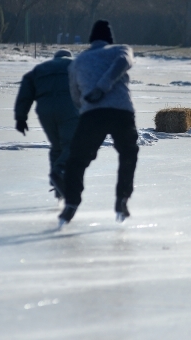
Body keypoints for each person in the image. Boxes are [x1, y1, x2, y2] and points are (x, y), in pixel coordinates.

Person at [59, 20, 139, 225]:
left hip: (92, 113)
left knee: (77, 159)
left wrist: (85, 104)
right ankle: (122, 198)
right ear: (110, 38)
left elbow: (74, 91)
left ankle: (71, 202)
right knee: (128, 153)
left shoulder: (78, 61)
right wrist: (105, 86)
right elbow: (123, 62)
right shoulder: (121, 49)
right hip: (122, 110)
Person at [14, 49, 80, 199]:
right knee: (72, 145)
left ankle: (58, 188)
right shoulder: (76, 65)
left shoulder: (41, 68)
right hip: (68, 107)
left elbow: (26, 88)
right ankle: (60, 171)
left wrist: (21, 117)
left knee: (57, 147)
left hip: (44, 110)